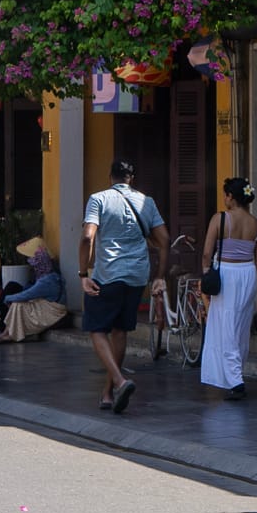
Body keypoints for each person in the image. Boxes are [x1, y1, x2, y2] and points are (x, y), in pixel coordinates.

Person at [80, 157, 165, 414]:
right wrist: (159, 276)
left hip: (108, 274)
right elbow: (164, 240)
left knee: (96, 329)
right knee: (120, 331)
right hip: (137, 275)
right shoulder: (147, 202)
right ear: (132, 179)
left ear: (110, 177)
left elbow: (87, 237)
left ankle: (119, 381)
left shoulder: (98, 199)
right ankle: (108, 393)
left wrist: (83, 273)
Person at [198, 178, 257, 398]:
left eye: (226, 195)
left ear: (231, 197)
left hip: (227, 274)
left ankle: (236, 381)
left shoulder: (220, 219)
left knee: (225, 325)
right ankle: (236, 373)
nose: (224, 199)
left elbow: (207, 253)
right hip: (248, 274)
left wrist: (206, 275)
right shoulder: (256, 224)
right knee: (240, 327)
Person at [0, 237, 70, 343]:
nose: (33, 266)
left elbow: (28, 294)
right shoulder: (45, 276)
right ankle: (4, 332)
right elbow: (29, 289)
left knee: (17, 304)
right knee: (13, 291)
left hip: (54, 313)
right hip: (44, 306)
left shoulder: (48, 280)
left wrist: (7, 298)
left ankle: (8, 334)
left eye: (34, 264)